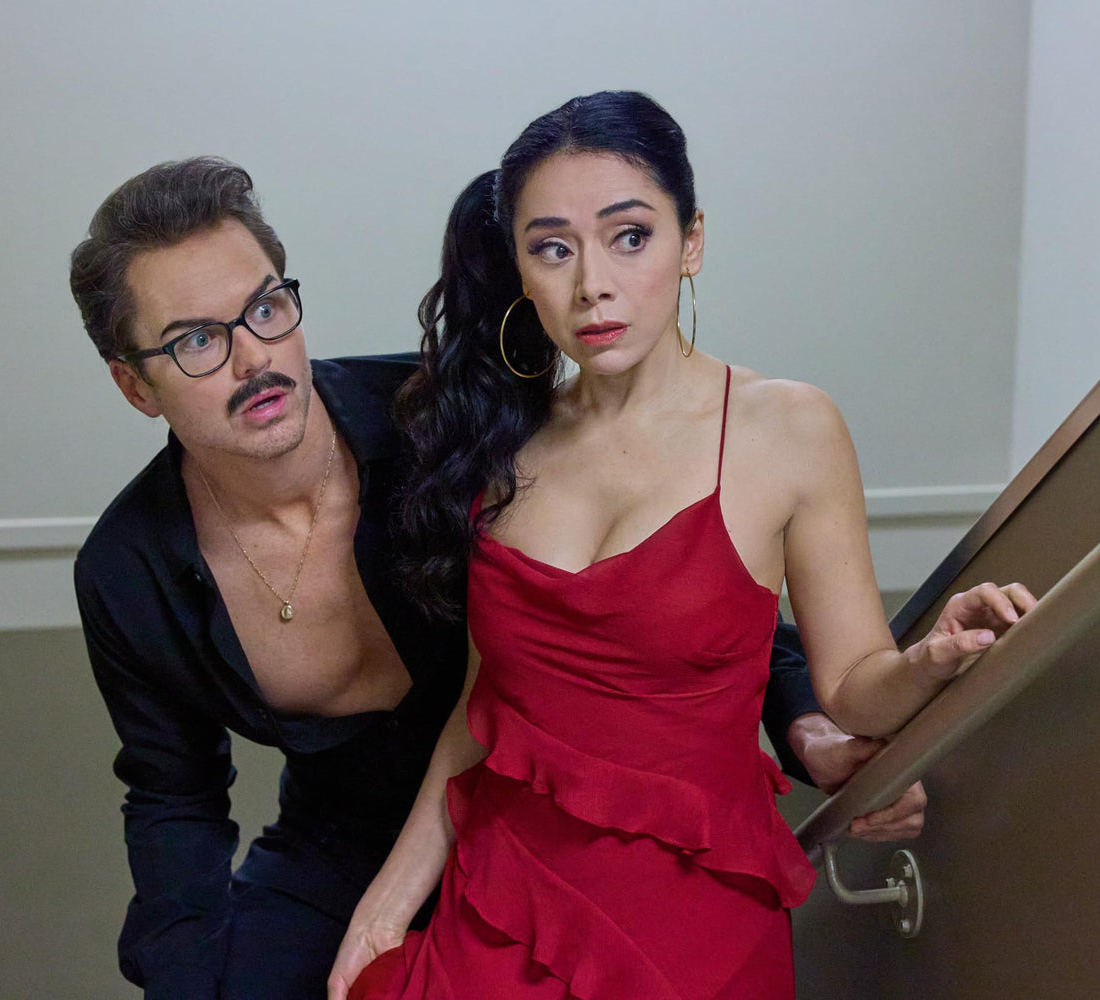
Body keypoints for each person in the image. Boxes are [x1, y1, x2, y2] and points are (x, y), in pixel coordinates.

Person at [68, 156, 922, 1000]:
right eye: (196, 341)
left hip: (543, 820)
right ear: (133, 385)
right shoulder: (125, 572)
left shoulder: (440, 416)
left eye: (265, 308)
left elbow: (666, 601)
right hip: (340, 849)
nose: (253, 357)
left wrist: (807, 723)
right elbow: (173, 799)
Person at [331, 93, 1034, 1000]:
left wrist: (930, 661)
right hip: (500, 910)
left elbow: (855, 686)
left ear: (691, 242)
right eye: (553, 248)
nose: (593, 284)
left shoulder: (789, 429)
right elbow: (484, 707)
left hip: (693, 934)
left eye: (630, 236)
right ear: (520, 268)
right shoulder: (499, 443)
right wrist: (384, 908)